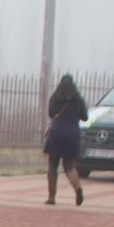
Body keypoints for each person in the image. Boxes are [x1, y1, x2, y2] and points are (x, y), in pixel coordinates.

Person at [43, 74, 87, 205]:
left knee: (52, 166)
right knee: (70, 166)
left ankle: (51, 197)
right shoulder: (78, 99)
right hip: (72, 134)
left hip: (56, 134)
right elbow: (85, 117)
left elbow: (51, 114)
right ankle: (77, 187)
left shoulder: (55, 98)